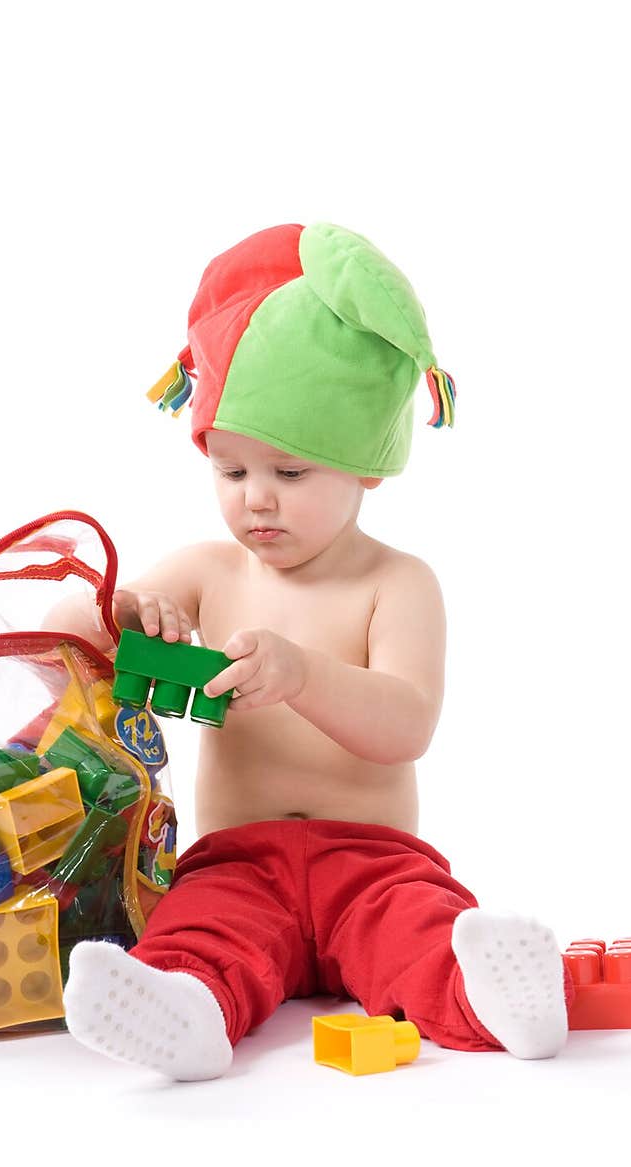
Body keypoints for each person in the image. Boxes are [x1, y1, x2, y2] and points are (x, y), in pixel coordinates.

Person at [45, 220, 571, 1081]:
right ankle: (187, 1010)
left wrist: (303, 674)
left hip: (373, 858)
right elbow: (65, 632)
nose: (257, 502)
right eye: (230, 471)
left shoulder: (397, 584)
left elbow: (405, 724)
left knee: (417, 929)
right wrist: (117, 611)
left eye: (290, 475)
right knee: (203, 927)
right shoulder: (208, 573)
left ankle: (497, 1000)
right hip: (238, 858)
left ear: (365, 466)